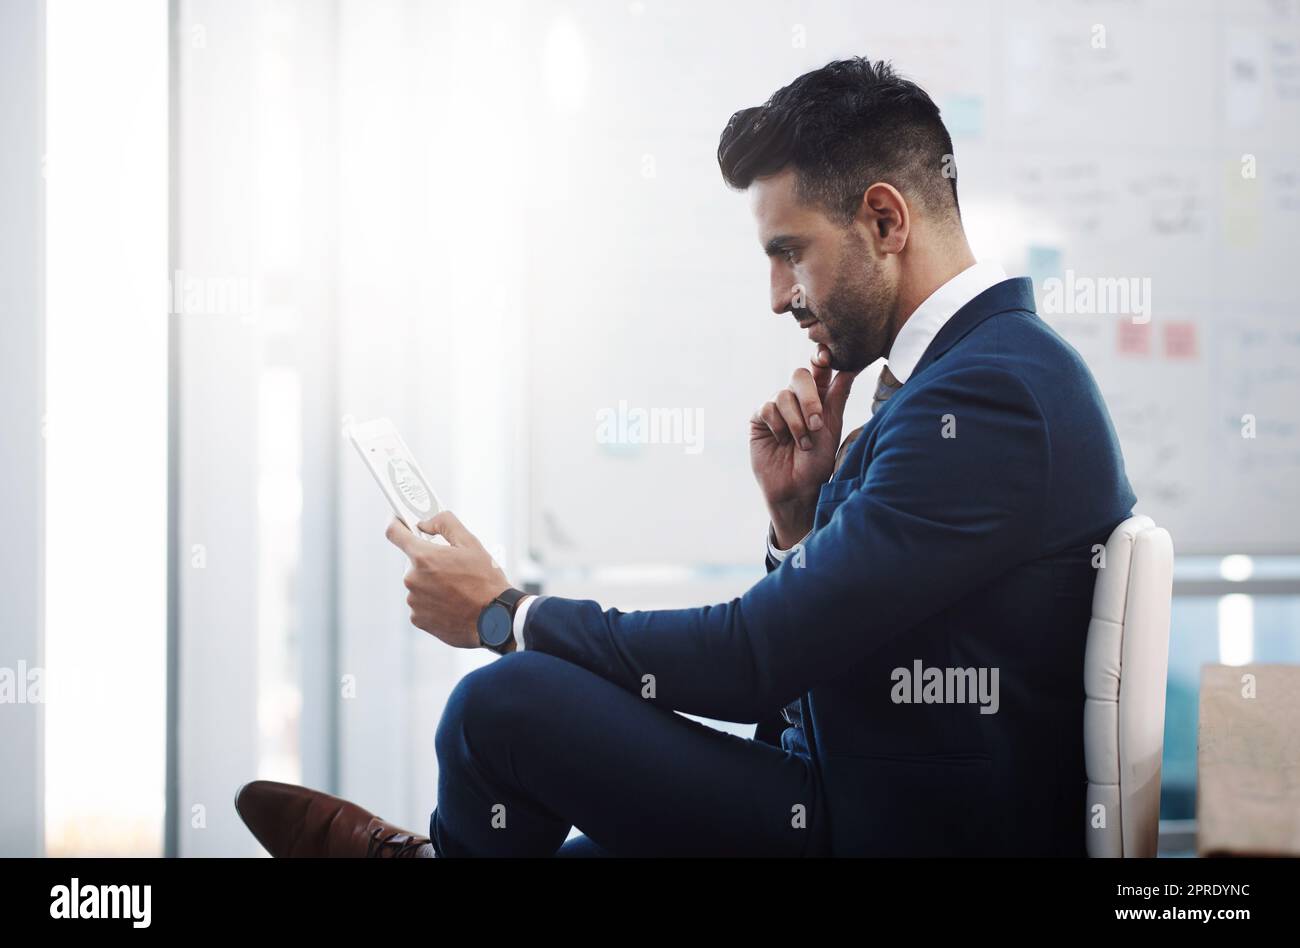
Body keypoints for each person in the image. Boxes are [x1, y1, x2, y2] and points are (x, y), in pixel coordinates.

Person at [236, 56, 1135, 857]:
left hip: (894, 828)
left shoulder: (991, 395)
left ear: (886, 220)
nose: (780, 295)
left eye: (791, 254)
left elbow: (759, 661)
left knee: (501, 707)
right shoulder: (971, 373)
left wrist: (504, 614)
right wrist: (798, 519)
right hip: (851, 793)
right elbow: (839, 634)